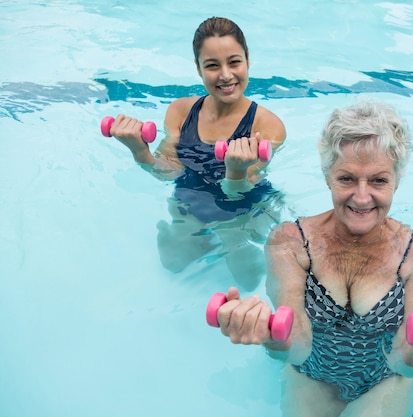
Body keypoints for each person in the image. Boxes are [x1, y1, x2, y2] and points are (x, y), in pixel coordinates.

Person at [214, 100, 413, 417]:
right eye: (347, 179)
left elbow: (404, 361)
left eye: (379, 181)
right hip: (311, 376)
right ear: (328, 176)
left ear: (397, 180)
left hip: (385, 382)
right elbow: (297, 347)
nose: (362, 196)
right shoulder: (290, 243)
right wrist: (268, 336)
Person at [107, 17, 287, 286]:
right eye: (213, 65)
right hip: (193, 195)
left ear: (248, 60)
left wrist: (236, 170)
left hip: (244, 207)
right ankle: (203, 238)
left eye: (234, 62)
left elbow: (238, 191)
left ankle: (227, 238)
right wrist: (139, 151)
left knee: (248, 280)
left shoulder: (268, 126)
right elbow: (168, 172)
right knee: (173, 263)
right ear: (198, 68)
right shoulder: (181, 111)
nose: (226, 75)